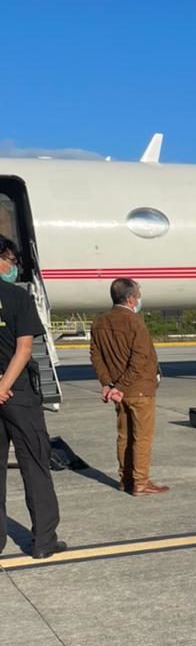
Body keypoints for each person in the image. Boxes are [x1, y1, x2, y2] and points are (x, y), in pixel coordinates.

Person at [0, 235, 66, 559]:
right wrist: (4, 386)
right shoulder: (17, 296)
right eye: (11, 261)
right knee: (35, 465)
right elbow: (24, 349)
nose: (12, 267)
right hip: (18, 395)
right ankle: (43, 541)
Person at [90, 278, 168, 496]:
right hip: (139, 389)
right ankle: (141, 482)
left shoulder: (99, 322)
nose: (140, 297)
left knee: (124, 436)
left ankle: (125, 479)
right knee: (142, 437)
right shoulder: (135, 322)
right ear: (130, 298)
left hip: (119, 391)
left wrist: (108, 384)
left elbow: (96, 356)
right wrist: (121, 385)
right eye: (138, 294)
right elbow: (140, 358)